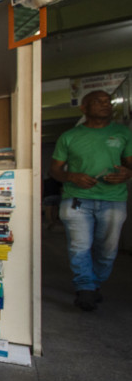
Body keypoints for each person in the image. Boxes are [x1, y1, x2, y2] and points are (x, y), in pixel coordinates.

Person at [49, 90, 132, 311]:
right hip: (76, 198)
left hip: (113, 199)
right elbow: (55, 170)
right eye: (98, 102)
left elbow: (130, 164)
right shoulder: (69, 136)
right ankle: (85, 288)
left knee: (107, 249)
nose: (105, 105)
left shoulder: (123, 133)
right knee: (79, 246)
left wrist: (127, 173)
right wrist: (71, 176)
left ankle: (94, 284)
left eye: (108, 102)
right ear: (84, 108)